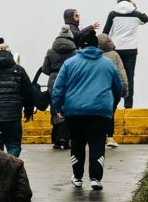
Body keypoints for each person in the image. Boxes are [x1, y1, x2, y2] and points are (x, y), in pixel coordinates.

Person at [51, 29, 124, 190]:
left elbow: (58, 88)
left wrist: (57, 107)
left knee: (77, 143)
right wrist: (112, 105)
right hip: (100, 112)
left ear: (80, 45)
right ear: (96, 45)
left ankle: (77, 177)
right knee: (97, 144)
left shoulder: (70, 63)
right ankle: (95, 179)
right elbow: (118, 87)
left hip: (74, 112)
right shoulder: (108, 64)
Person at [103, 0, 148, 109]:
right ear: (130, 2)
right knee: (129, 76)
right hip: (131, 49)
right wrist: (135, 7)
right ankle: (128, 105)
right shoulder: (136, 14)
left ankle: (112, 104)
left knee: (113, 75)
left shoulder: (113, 14)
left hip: (115, 49)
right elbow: (146, 19)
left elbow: (105, 32)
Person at [40, 26, 78, 149]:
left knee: (55, 107)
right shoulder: (75, 52)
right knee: (68, 108)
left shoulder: (50, 51)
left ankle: (57, 138)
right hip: (70, 80)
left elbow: (45, 69)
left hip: (53, 80)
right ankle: (65, 138)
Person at [97, 32, 129, 148]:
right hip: (113, 89)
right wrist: (124, 89)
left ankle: (99, 136)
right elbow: (122, 72)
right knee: (111, 113)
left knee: (98, 113)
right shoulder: (115, 55)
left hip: (98, 89)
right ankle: (110, 137)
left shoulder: (95, 55)